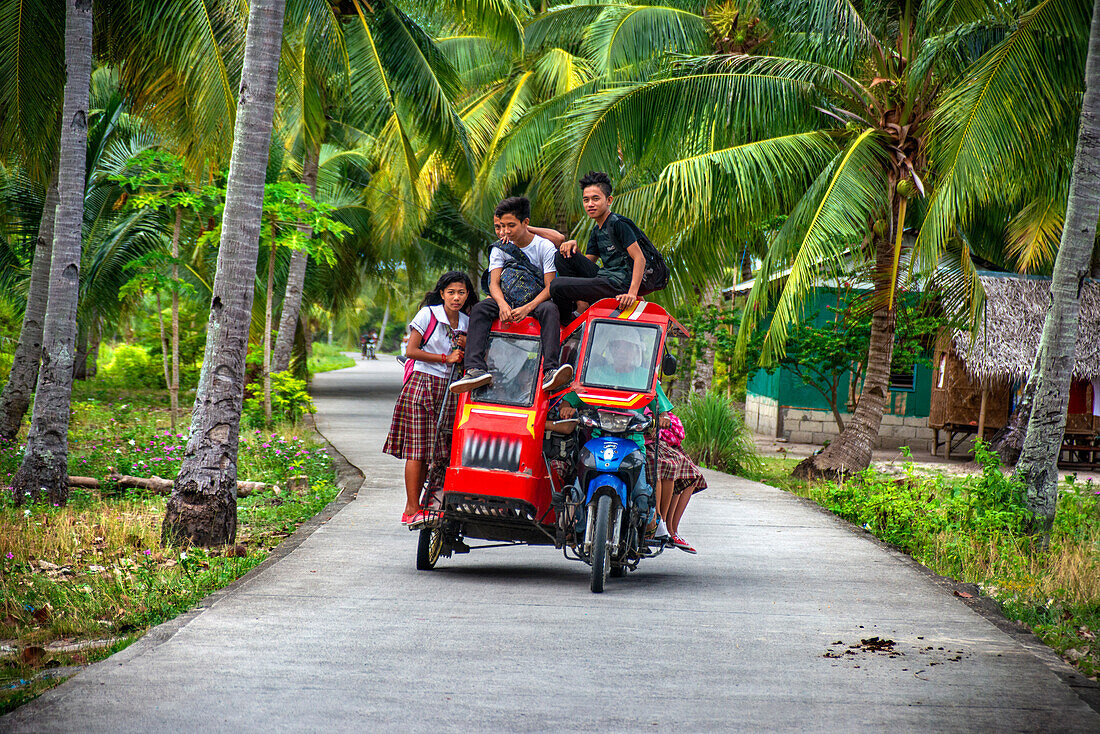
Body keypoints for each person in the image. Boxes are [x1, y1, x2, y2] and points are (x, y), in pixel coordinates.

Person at [450, 196, 573, 395]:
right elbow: (494, 283)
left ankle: (550, 370)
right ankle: (474, 369)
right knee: (481, 308)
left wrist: (527, 308)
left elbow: (550, 287)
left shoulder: (545, 247)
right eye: (501, 226)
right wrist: (502, 305)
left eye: (511, 226)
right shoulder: (500, 247)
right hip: (506, 298)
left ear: (526, 223)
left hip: (535, 300)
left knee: (550, 309)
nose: (505, 232)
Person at [383, 271, 477, 526]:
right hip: (422, 384)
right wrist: (445, 359)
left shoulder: (469, 322)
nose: (456, 298)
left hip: (450, 389)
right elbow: (412, 351)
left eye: (461, 292)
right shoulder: (428, 314)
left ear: (468, 295)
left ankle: (428, 505)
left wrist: (466, 346)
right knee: (419, 450)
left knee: (442, 451)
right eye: (451, 292)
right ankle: (411, 509)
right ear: (442, 293)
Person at [548, 171, 649, 317]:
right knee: (563, 255)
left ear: (609, 200)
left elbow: (640, 258)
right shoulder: (597, 230)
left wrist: (632, 294)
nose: (590, 204)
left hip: (619, 283)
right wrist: (571, 245)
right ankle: (580, 306)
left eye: (595, 199)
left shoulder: (618, 224)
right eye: (586, 200)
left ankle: (566, 321)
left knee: (557, 286)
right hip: (604, 278)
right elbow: (585, 266)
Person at [649, 409, 706, 554]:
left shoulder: (652, 389)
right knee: (660, 467)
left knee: (687, 472)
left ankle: (669, 528)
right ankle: (660, 522)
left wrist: (662, 415)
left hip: (651, 436)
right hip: (638, 438)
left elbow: (661, 405)